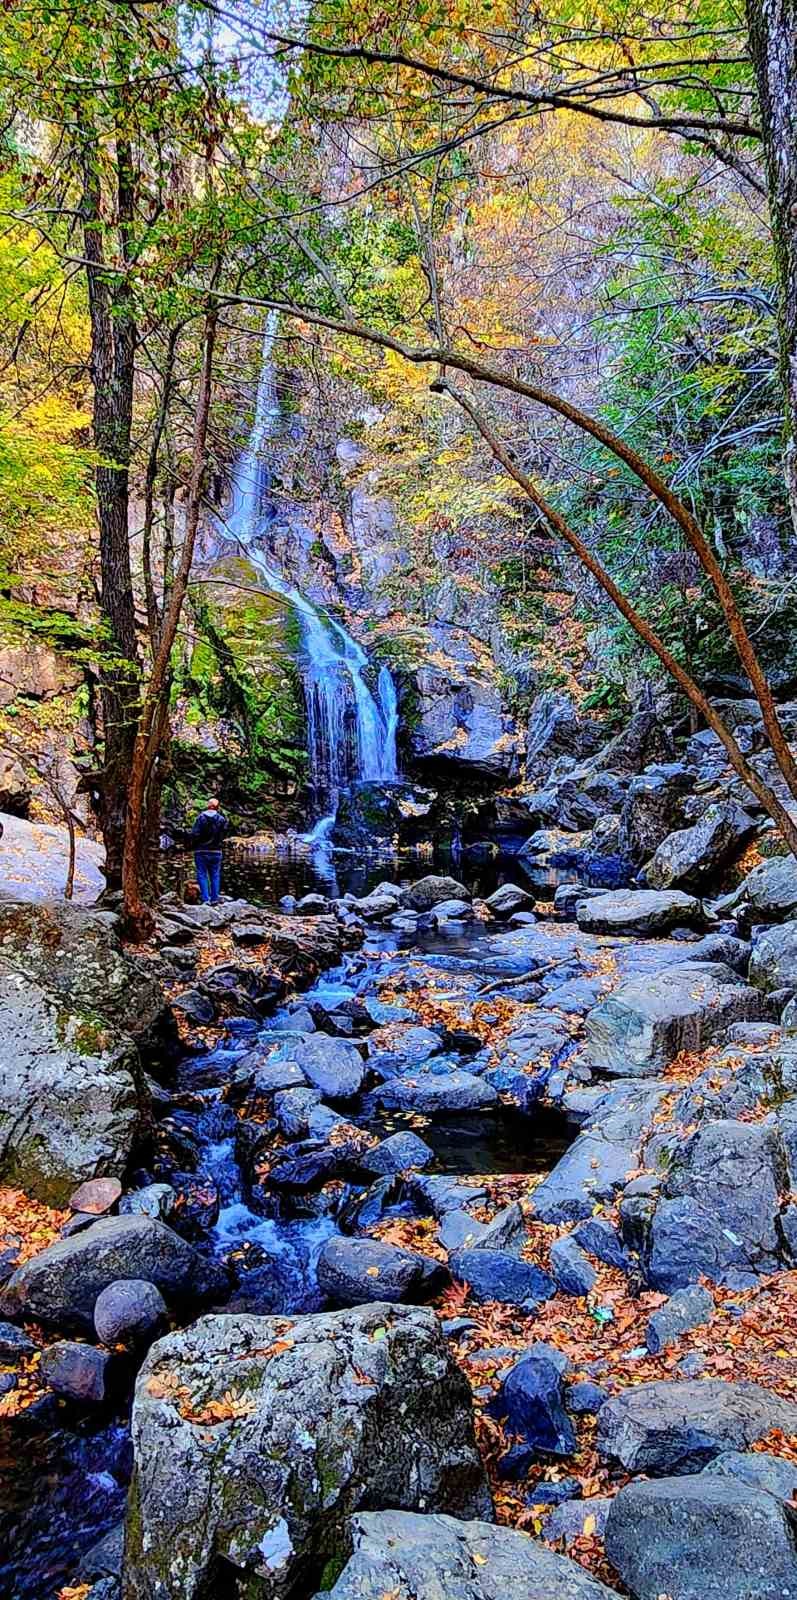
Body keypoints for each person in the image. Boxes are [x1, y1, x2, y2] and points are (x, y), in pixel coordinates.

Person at [191, 797, 229, 905]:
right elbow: (224, 833)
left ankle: (205, 899)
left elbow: (195, 834)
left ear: (208, 806)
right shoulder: (221, 819)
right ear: (217, 807)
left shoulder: (200, 818)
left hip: (201, 851)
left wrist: (194, 844)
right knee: (215, 875)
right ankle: (215, 898)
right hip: (216, 851)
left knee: (202, 874)